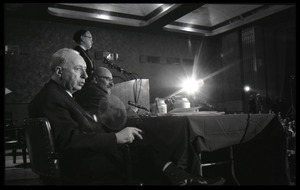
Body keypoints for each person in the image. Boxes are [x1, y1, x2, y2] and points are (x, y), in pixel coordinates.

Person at [74, 65, 225, 185]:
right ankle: (184, 176)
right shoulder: (94, 93)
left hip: (102, 140)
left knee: (146, 139)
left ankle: (180, 176)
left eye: (112, 79)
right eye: (107, 79)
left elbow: (111, 115)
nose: (112, 83)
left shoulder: (90, 93)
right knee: (149, 138)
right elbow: (116, 118)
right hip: (102, 149)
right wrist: (132, 114)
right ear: (94, 80)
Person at [28, 48, 143, 184]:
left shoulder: (60, 94)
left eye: (85, 70)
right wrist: (116, 138)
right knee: (148, 153)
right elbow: (70, 140)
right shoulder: (51, 98)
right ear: (59, 71)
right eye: (78, 69)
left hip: (88, 160)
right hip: (86, 169)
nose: (85, 76)